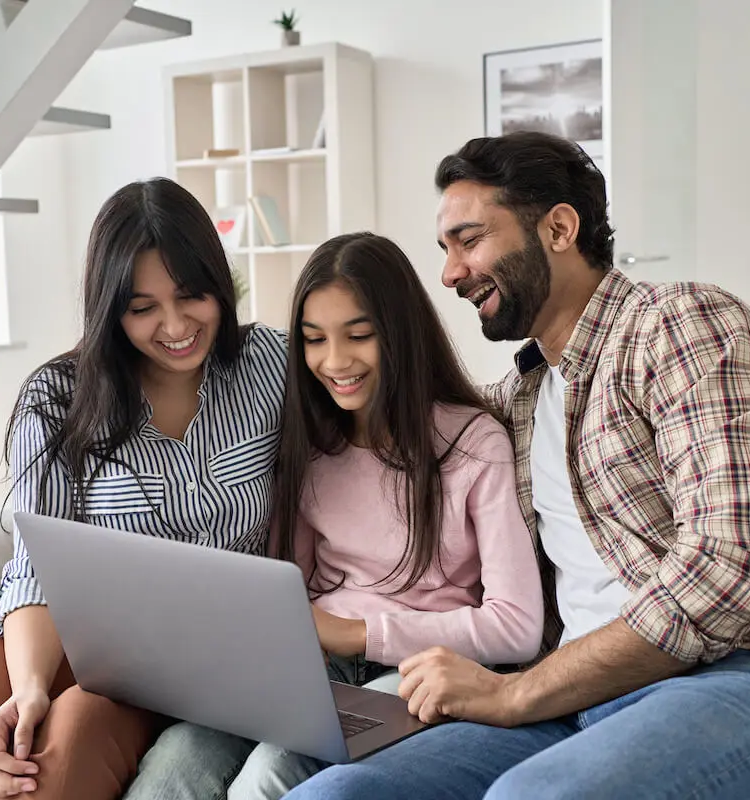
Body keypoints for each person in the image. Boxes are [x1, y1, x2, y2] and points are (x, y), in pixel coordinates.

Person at [282, 133, 750, 800]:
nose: (449, 273)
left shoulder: (683, 326)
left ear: (559, 227)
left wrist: (519, 692)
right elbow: (401, 429)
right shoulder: (518, 403)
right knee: (331, 796)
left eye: (468, 240)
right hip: (574, 701)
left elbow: (735, 567)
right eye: (444, 249)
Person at [0, 177, 289, 800]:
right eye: (142, 307)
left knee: (52, 760)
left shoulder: (271, 366)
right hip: (52, 622)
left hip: (184, 655)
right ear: (109, 309)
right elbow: (35, 566)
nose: (176, 325)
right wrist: (27, 691)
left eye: (191, 296)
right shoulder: (57, 397)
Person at [218, 232, 544, 800]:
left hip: (418, 675)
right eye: (314, 340)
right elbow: (286, 590)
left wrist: (356, 634)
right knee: (181, 762)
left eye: (359, 336)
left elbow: (517, 627)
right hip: (315, 668)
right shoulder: (309, 448)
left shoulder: (472, 443)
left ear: (399, 334)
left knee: (270, 773)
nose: (335, 361)